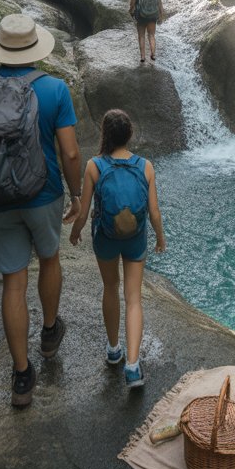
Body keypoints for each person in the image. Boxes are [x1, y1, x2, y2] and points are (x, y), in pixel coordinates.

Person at [0, 14, 82, 408]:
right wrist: (78, 195)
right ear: (36, 49)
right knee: (49, 259)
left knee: (13, 282)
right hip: (43, 193)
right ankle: (49, 332)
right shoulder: (54, 89)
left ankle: (22, 374)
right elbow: (71, 152)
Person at [69, 109, 165, 389]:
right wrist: (160, 238)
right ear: (129, 134)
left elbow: (84, 211)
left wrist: (75, 232)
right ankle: (133, 367)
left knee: (110, 288)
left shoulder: (94, 166)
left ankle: (114, 350)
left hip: (106, 238)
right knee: (133, 298)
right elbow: (154, 212)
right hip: (135, 237)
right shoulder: (145, 166)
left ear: (105, 134)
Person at [129, 0, 163, 64]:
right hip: (153, 14)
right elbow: (159, 3)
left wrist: (131, 11)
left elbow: (132, 2)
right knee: (151, 35)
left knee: (141, 36)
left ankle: (143, 57)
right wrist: (160, 15)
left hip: (141, 15)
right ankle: (153, 54)